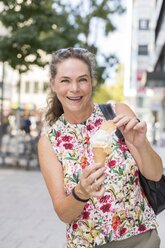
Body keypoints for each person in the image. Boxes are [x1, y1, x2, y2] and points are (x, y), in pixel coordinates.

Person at [38, 47, 163, 248]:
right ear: (53, 84)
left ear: (92, 82)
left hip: (141, 239)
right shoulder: (50, 142)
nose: (75, 88)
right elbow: (63, 213)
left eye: (82, 79)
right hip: (87, 244)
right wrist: (81, 192)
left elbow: (156, 174)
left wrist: (142, 145)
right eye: (65, 80)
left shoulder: (117, 113)